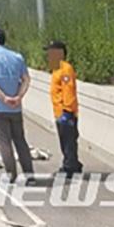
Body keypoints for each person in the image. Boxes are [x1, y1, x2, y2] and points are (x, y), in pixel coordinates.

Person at [0, 27, 34, 184]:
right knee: (20, 141)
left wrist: (4, 98)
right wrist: (18, 97)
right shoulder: (17, 57)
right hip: (15, 108)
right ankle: (29, 175)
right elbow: (26, 79)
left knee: (4, 142)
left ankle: (11, 175)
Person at [45, 40, 83, 175]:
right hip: (59, 111)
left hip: (65, 112)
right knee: (67, 140)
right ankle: (74, 163)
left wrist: (67, 111)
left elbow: (68, 90)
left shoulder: (65, 69)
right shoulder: (57, 69)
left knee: (68, 141)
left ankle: (69, 167)